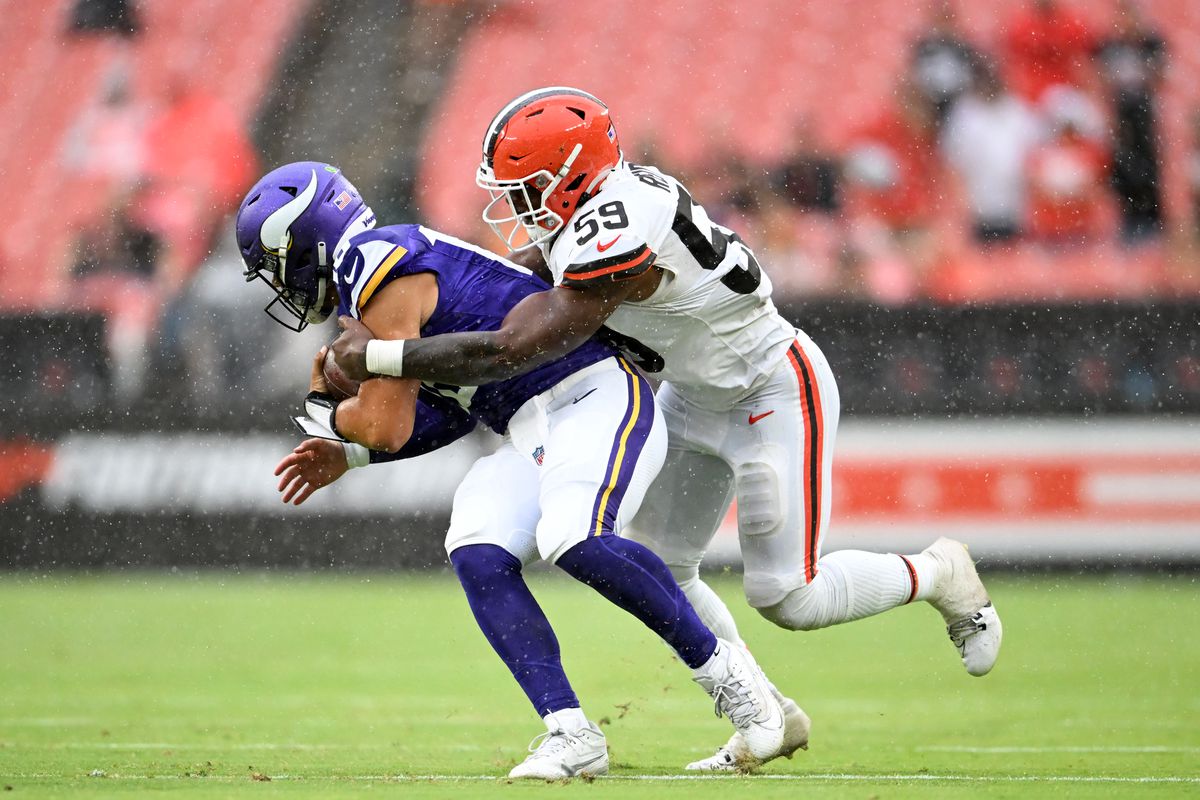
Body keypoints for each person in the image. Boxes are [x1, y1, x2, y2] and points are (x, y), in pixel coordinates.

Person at [331, 88, 1004, 771]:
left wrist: (383, 356)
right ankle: (767, 713)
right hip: (690, 394)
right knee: (661, 565)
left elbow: (517, 344)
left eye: (529, 186)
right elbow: (508, 284)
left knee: (789, 596)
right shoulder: (591, 215)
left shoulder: (620, 222)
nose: (518, 203)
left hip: (772, 384)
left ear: (573, 174)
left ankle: (938, 572)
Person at [234, 161, 785, 779]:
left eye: (277, 264)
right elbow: (445, 416)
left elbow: (384, 421)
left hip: (593, 392)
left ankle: (736, 684)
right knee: (477, 546)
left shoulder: (367, 262)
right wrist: (351, 450)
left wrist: (325, 410)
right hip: (532, 423)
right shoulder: (373, 285)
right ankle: (570, 732)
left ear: (305, 243)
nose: (280, 284)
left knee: (575, 538)